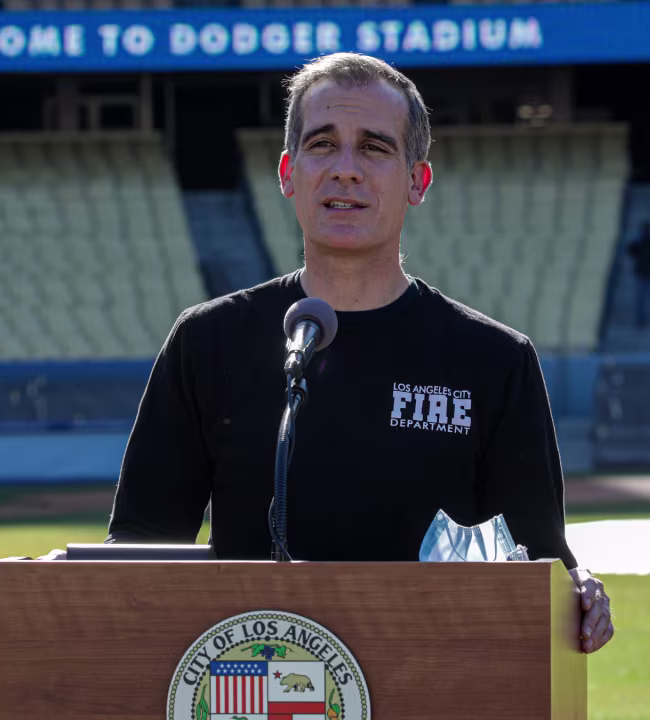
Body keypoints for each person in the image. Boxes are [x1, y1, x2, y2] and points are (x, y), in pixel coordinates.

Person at [106, 53, 613, 654]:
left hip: (429, 687)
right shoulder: (206, 341)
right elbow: (137, 558)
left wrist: (576, 589)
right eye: (323, 145)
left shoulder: (494, 360)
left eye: (374, 148)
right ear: (289, 173)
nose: (345, 170)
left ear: (417, 181)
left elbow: (537, 565)